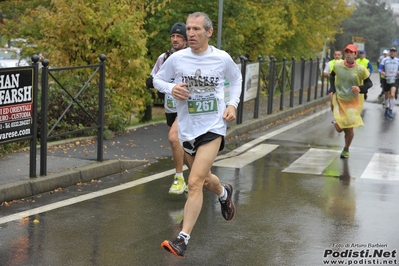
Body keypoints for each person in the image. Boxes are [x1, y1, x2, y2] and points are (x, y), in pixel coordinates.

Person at [153, 12, 242, 258]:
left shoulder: (221, 58)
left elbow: (236, 79)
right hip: (187, 129)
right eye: (188, 29)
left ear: (208, 32)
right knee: (203, 179)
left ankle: (182, 239)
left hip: (213, 127)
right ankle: (224, 193)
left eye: (196, 29)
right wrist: (172, 88)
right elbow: (157, 79)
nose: (190, 33)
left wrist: (232, 104)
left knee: (193, 183)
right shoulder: (178, 59)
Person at [147, 22, 188, 194]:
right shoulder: (163, 58)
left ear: (186, 40)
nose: (175, 39)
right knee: (183, 145)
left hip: (186, 108)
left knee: (173, 138)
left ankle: (179, 178)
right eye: (173, 36)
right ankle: (203, 179)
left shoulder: (191, 57)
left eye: (179, 37)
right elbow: (152, 79)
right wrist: (154, 82)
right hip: (170, 107)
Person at [329, 44, 373, 159]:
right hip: (339, 99)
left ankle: (346, 149)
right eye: (347, 52)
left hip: (353, 102)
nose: (348, 54)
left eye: (351, 52)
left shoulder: (360, 69)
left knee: (349, 127)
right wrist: (332, 90)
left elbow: (369, 83)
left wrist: (360, 88)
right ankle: (336, 121)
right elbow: (331, 76)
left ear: (355, 54)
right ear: (345, 54)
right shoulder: (337, 65)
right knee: (339, 129)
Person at [378, 47, 399, 119]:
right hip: (386, 79)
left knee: (392, 95)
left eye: (394, 51)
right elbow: (380, 68)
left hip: (394, 79)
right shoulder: (385, 60)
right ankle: (387, 108)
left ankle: (391, 110)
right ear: (389, 52)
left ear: (396, 53)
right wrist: (382, 72)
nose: (392, 53)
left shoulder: (398, 60)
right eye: (391, 51)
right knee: (386, 96)